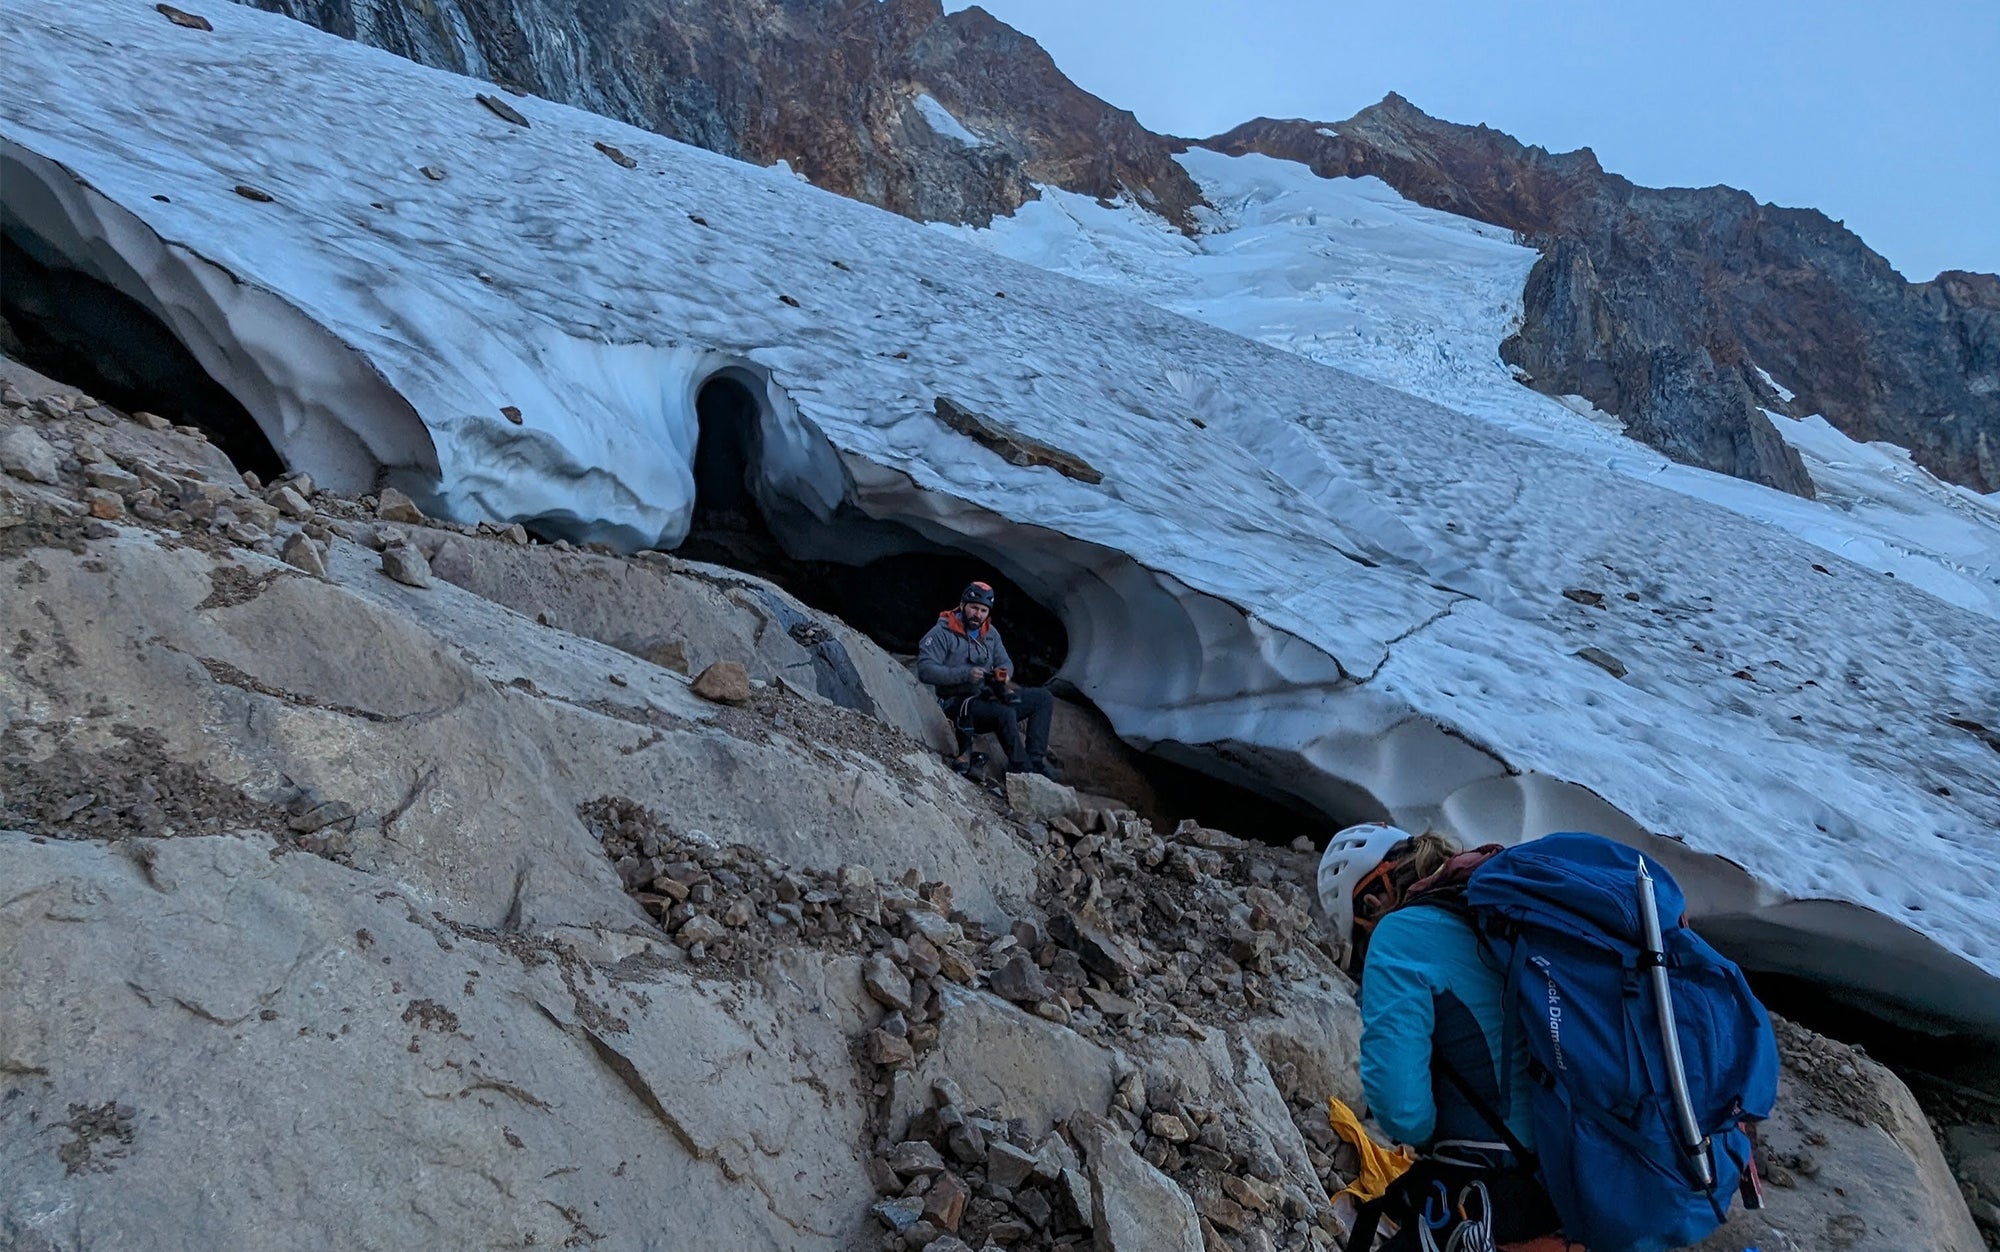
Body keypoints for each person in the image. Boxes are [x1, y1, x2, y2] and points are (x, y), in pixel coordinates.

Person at [1319, 823, 1565, 1251]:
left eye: (1359, 940)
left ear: (1373, 902)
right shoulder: (1488, 913)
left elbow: (1403, 1111)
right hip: (1578, 1171)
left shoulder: (1398, 934)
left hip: (1499, 1187)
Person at [915, 580, 1057, 778]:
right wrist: (965, 674)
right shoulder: (941, 633)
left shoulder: (990, 634)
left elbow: (1006, 662)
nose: (978, 614)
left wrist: (1002, 675)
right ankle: (1020, 767)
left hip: (988, 697)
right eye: (974, 608)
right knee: (1004, 711)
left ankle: (1035, 760)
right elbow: (925, 670)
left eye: (983, 610)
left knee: (1042, 698)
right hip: (958, 704)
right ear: (963, 605)